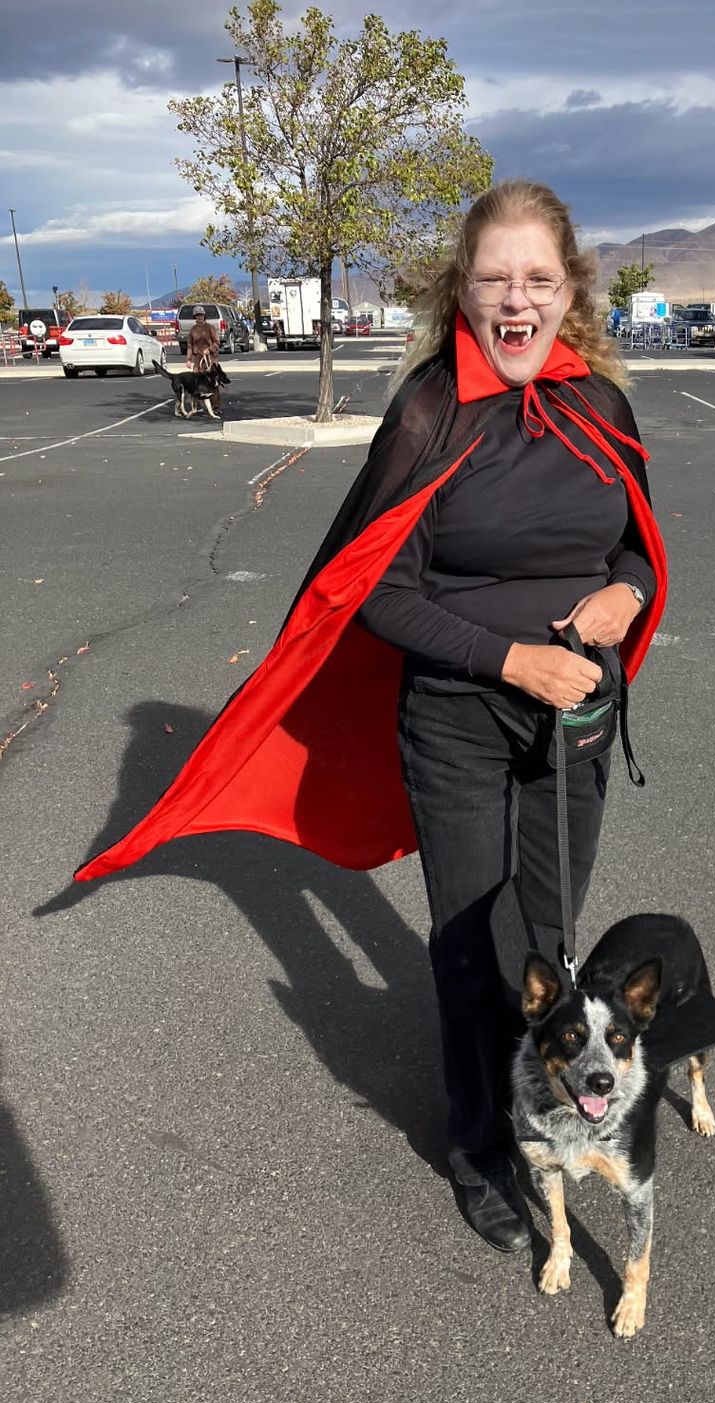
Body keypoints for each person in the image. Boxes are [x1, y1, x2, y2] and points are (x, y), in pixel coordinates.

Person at [75, 180, 666, 1254]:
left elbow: (633, 539)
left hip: (575, 718)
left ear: (570, 287)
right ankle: (482, 1144)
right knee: (470, 941)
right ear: (462, 290)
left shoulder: (602, 408)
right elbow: (377, 592)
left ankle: (538, 1096)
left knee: (544, 936)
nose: (517, 299)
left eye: (538, 277)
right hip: (458, 717)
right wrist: (511, 658)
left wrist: (624, 592)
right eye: (496, 278)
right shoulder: (432, 412)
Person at [185, 306, 219, 372]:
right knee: (196, 378)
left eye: (201, 315)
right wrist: (189, 360)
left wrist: (209, 349)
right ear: (195, 316)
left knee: (211, 378)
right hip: (198, 358)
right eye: (197, 315)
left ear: (204, 315)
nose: (199, 317)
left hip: (210, 358)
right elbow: (190, 346)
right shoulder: (193, 329)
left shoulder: (210, 327)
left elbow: (217, 342)